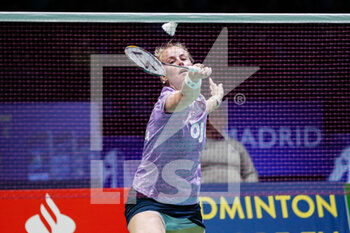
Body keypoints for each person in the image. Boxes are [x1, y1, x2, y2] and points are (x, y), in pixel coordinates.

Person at [124, 41, 224, 233]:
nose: (179, 62)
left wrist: (217, 98)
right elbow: (186, 96)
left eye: (183, 58)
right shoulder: (167, 102)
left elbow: (203, 106)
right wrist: (194, 79)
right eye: (172, 61)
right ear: (163, 75)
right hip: (149, 201)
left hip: (188, 206)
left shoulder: (199, 102)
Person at [200, 119, 258, 183]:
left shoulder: (236, 145)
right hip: (205, 190)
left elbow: (250, 173)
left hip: (234, 190)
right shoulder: (197, 146)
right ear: (207, 122)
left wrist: (247, 189)